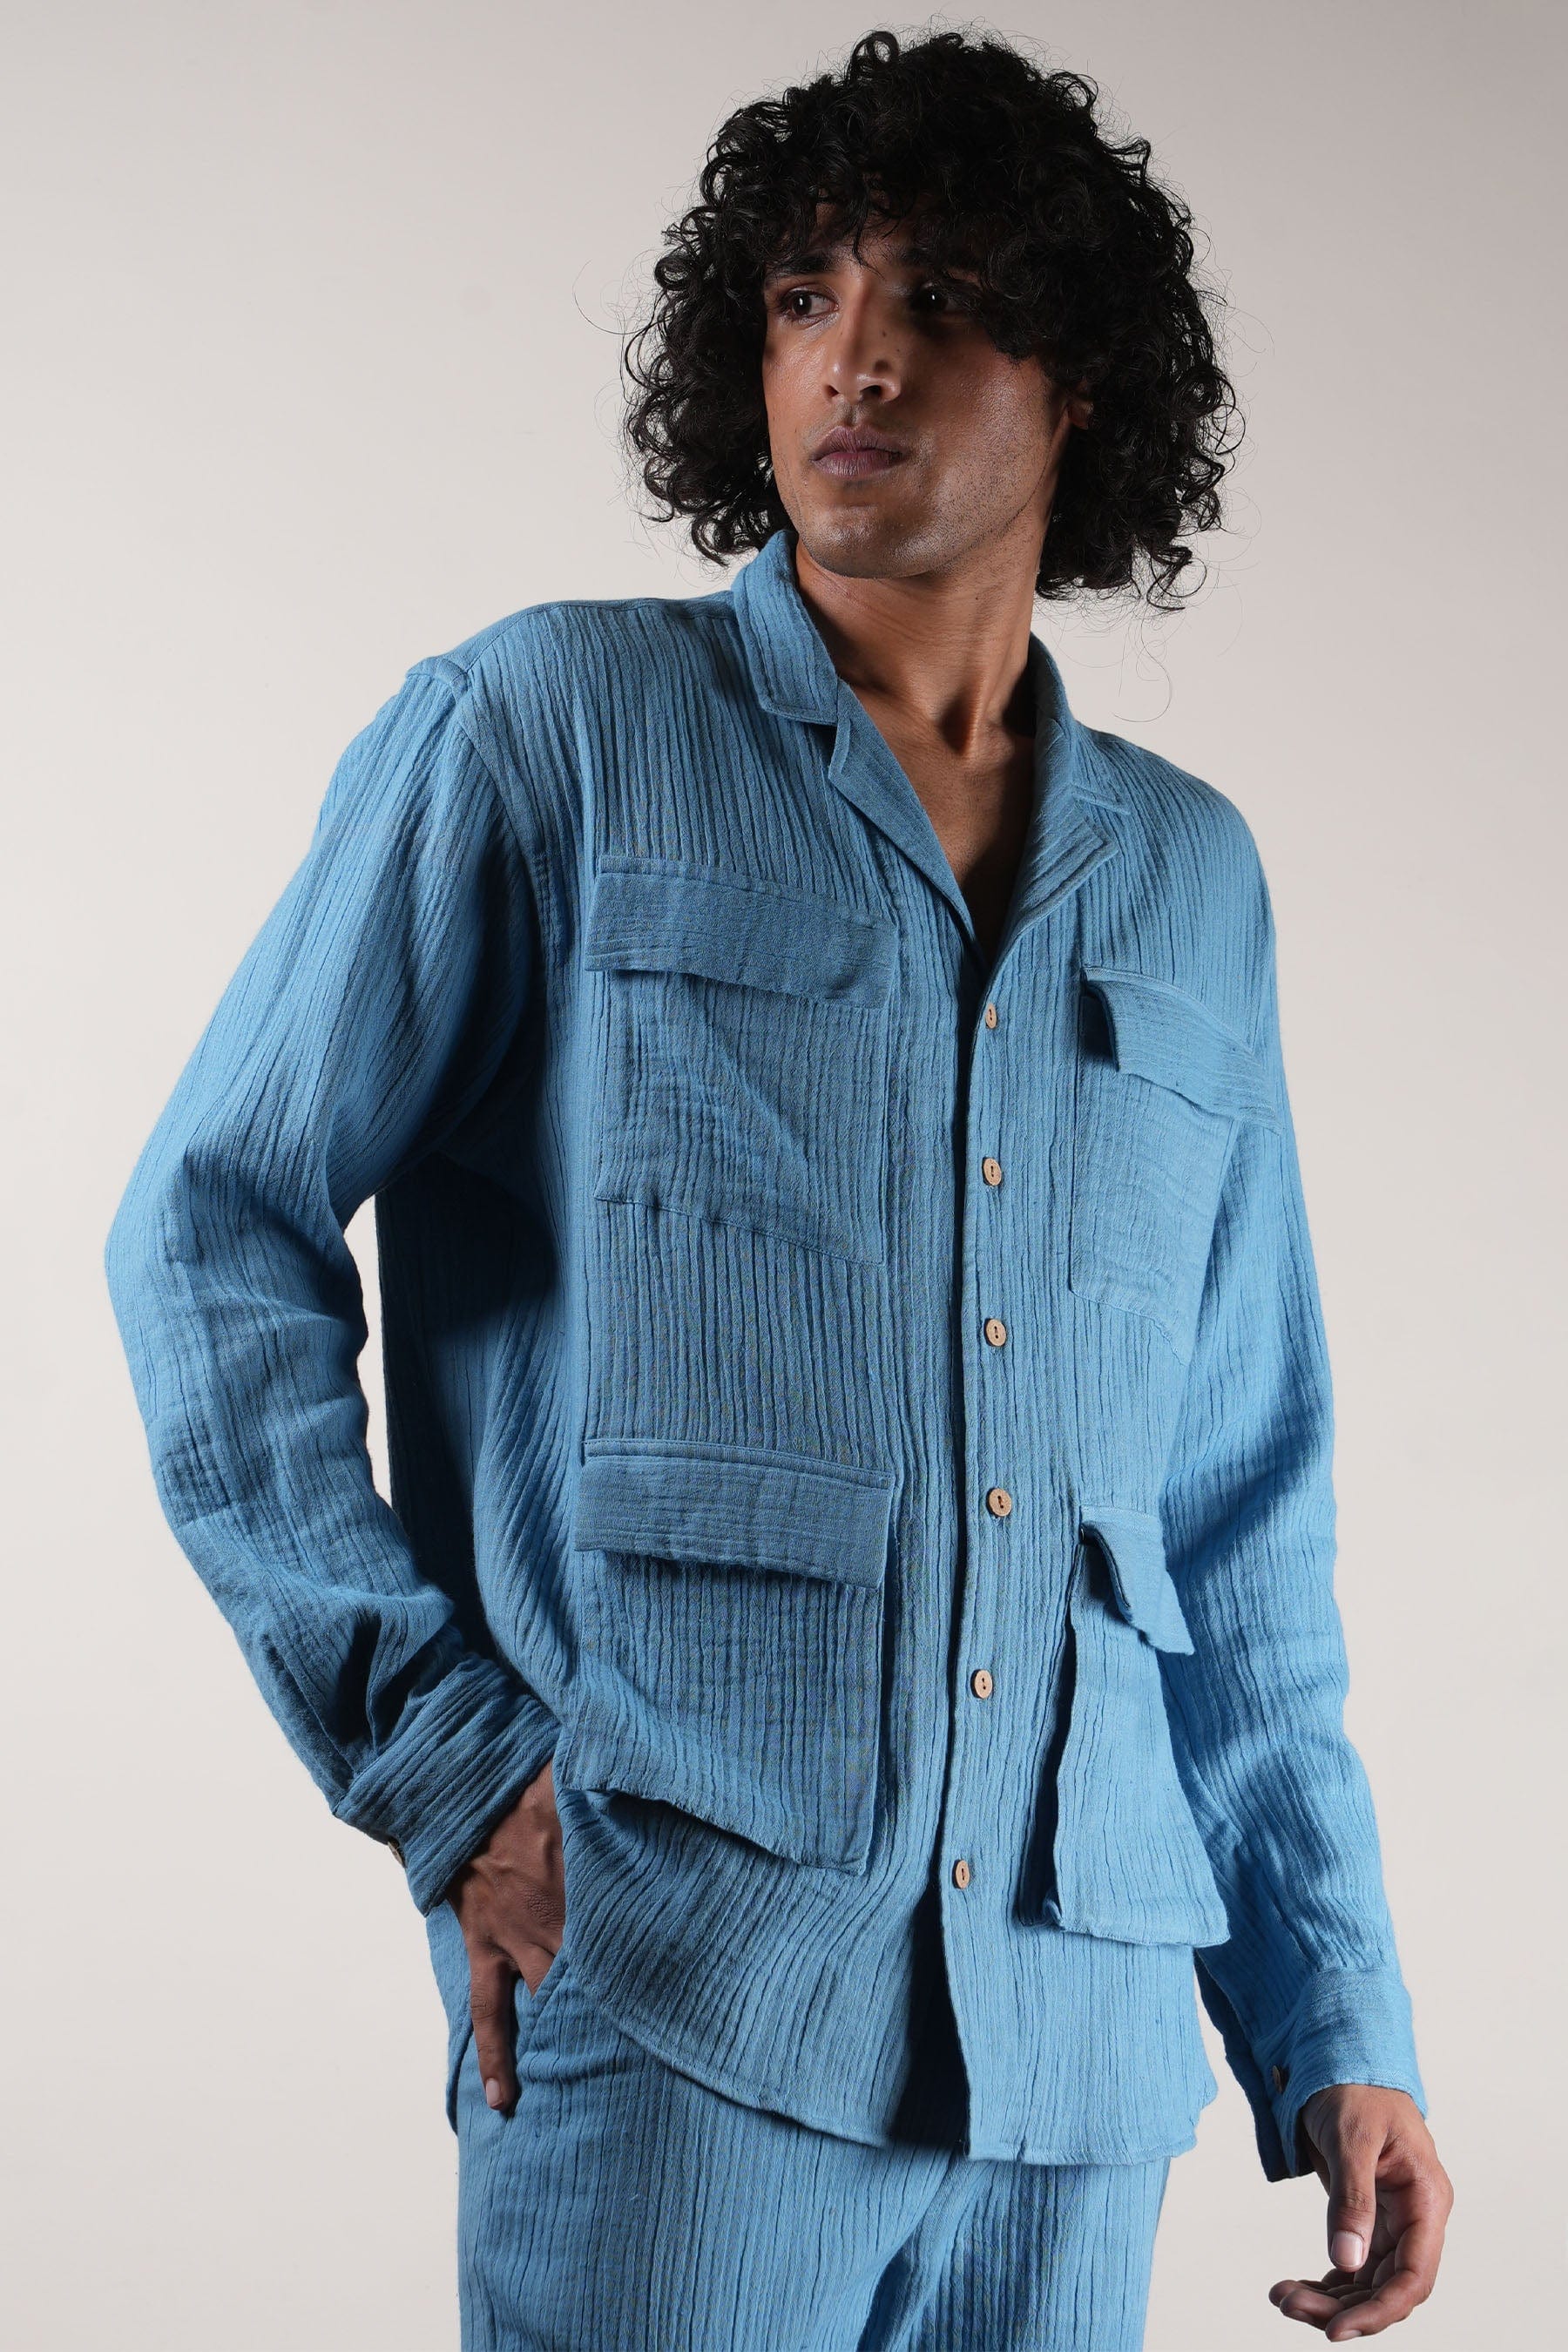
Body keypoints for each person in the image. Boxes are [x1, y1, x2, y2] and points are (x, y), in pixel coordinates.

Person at [105, 27, 1452, 2350]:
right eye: (808, 295)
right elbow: (210, 1228)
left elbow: (1237, 1516)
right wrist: (449, 1766)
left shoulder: (1193, 887)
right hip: (672, 1993)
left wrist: (1337, 2019)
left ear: (1083, 386)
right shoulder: (545, 733)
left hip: (1074, 2071)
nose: (858, 359)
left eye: (940, 300)